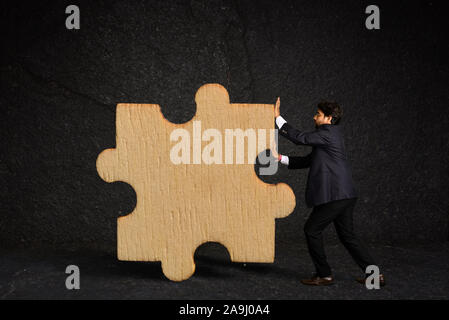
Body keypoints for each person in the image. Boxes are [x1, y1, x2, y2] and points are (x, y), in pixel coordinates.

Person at [272, 97, 385, 286]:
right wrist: (280, 158)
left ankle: (324, 275)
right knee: (348, 236)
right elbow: (309, 160)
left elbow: (300, 138)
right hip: (345, 195)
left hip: (336, 196)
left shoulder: (327, 133)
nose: (314, 117)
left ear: (329, 118)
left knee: (312, 229)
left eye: (318, 114)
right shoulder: (330, 136)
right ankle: (375, 276)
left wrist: (278, 118)